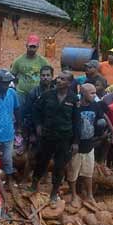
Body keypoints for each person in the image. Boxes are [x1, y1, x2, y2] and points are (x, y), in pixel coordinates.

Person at [34, 72, 79, 204]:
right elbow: (36, 110)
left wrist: (76, 142)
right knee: (41, 161)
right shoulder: (47, 95)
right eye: (58, 78)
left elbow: (76, 121)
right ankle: (34, 185)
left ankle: (54, 192)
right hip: (47, 135)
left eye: (63, 79)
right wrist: (38, 125)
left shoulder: (73, 99)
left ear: (69, 83)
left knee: (59, 166)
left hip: (64, 138)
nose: (58, 80)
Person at [71, 83, 113, 204]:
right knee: (73, 172)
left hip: (89, 145)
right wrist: (73, 142)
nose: (95, 95)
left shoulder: (95, 105)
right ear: (83, 93)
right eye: (92, 93)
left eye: (95, 92)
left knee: (88, 172)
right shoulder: (76, 107)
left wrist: (112, 132)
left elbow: (103, 116)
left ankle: (90, 195)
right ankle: (74, 195)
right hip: (77, 145)